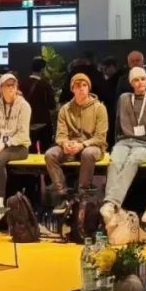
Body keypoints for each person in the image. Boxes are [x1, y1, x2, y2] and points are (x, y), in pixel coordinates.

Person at [102, 66, 146, 216]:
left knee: (133, 161)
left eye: (143, 79)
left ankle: (111, 203)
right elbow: (117, 123)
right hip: (124, 141)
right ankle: (111, 205)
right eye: (136, 80)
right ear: (131, 83)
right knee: (115, 162)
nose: (140, 82)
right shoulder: (124, 98)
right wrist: (117, 141)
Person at [45, 73, 108, 214]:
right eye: (78, 86)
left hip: (93, 147)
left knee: (87, 153)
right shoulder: (65, 109)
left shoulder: (99, 108)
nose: (81, 88)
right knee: (50, 154)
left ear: (89, 88)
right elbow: (60, 135)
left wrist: (83, 144)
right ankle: (62, 195)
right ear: (72, 89)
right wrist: (64, 144)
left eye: (84, 85)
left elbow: (100, 137)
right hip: (71, 146)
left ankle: (83, 195)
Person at [0, 73, 32, 215]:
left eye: (13, 85)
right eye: (7, 85)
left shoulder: (24, 106)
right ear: (1, 88)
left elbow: (23, 134)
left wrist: (4, 145)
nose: (11, 88)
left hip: (19, 146)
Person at [20, 56, 57, 151]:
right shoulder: (45, 85)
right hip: (43, 123)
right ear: (42, 69)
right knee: (45, 151)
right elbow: (52, 105)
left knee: (29, 151)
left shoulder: (21, 83)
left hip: (26, 123)